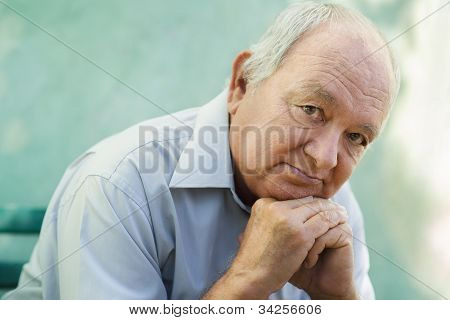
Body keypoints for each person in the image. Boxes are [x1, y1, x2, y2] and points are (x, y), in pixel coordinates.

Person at [4, 1, 398, 300]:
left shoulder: (339, 211)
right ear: (242, 85)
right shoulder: (119, 184)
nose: (326, 158)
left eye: (357, 138)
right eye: (311, 109)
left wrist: (340, 302)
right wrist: (248, 280)